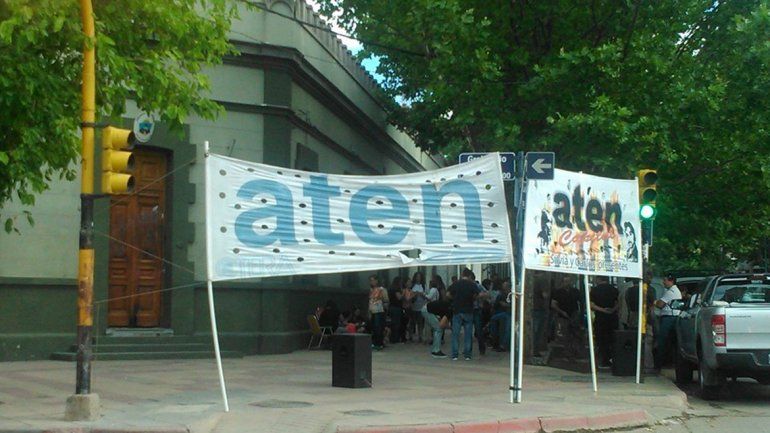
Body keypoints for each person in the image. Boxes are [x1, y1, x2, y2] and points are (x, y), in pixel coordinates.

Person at [448, 268, 480, 361]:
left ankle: (455, 354)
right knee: (468, 333)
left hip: (457, 310)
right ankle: (467, 355)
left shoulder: (456, 284)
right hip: (468, 310)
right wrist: (472, 299)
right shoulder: (472, 284)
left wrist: (454, 299)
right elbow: (478, 295)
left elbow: (447, 294)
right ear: (469, 276)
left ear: (462, 274)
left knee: (455, 334)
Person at [590, 276, 619, 368]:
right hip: (612, 318)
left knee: (600, 340)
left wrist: (602, 310)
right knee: (612, 339)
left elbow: (591, 305)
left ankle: (602, 360)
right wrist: (612, 310)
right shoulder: (614, 290)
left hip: (600, 318)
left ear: (598, 279)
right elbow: (619, 303)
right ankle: (611, 359)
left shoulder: (594, 290)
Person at [653, 274, 681, 370]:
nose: (663, 282)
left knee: (662, 341)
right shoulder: (672, 291)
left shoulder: (671, 292)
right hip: (671, 317)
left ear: (671, 281)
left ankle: (658, 365)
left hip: (669, 318)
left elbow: (660, 304)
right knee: (669, 342)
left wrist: (654, 302)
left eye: (665, 280)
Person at [489, 281, 512, 351]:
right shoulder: (504, 295)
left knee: (507, 329)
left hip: (507, 313)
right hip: (506, 313)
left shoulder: (505, 295)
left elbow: (500, 304)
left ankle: (501, 344)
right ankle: (500, 343)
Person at [368, 275, 388, 350]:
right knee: (373, 327)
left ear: (377, 281)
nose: (372, 282)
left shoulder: (381, 289)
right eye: (370, 280)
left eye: (373, 280)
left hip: (379, 310)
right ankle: (375, 342)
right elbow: (370, 301)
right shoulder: (371, 290)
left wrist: (385, 309)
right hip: (372, 310)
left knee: (378, 327)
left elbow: (386, 300)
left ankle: (379, 343)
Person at [409, 272, 427, 342]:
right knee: (412, 322)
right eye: (417, 277)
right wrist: (414, 294)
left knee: (421, 322)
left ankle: (420, 335)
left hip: (421, 306)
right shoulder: (412, 285)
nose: (418, 278)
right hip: (414, 306)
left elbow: (426, 295)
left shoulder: (424, 285)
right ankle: (411, 335)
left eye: (419, 277)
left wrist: (422, 294)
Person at [388, 277, 405, 344]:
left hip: (392, 306)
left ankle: (393, 338)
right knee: (396, 324)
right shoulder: (396, 289)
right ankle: (395, 339)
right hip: (396, 307)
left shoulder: (391, 288)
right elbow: (399, 297)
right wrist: (403, 293)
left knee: (393, 323)